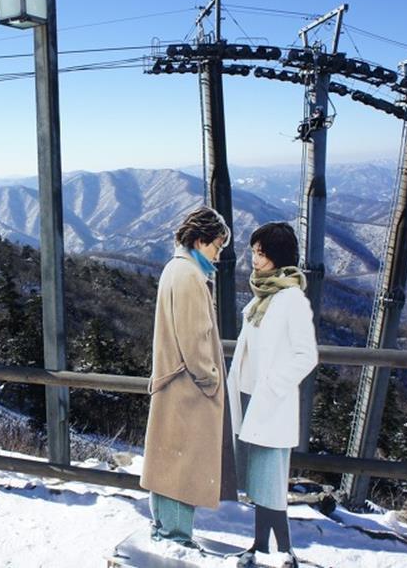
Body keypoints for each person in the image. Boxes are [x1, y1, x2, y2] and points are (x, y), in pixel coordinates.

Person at [140, 206, 238, 547]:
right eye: (217, 246)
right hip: (188, 389)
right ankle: (175, 538)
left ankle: (164, 531)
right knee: (181, 470)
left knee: (167, 465)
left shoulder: (175, 269)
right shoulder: (190, 276)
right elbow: (194, 338)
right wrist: (210, 379)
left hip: (174, 384)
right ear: (199, 240)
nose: (218, 254)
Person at [228, 222, 319, 568]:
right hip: (250, 397)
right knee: (259, 482)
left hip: (270, 401)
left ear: (278, 256)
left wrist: (274, 385)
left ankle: (283, 551)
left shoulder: (291, 298)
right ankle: (261, 547)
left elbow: (306, 355)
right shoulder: (262, 296)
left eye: (262, 253)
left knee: (271, 482)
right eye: (254, 251)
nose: (255, 259)